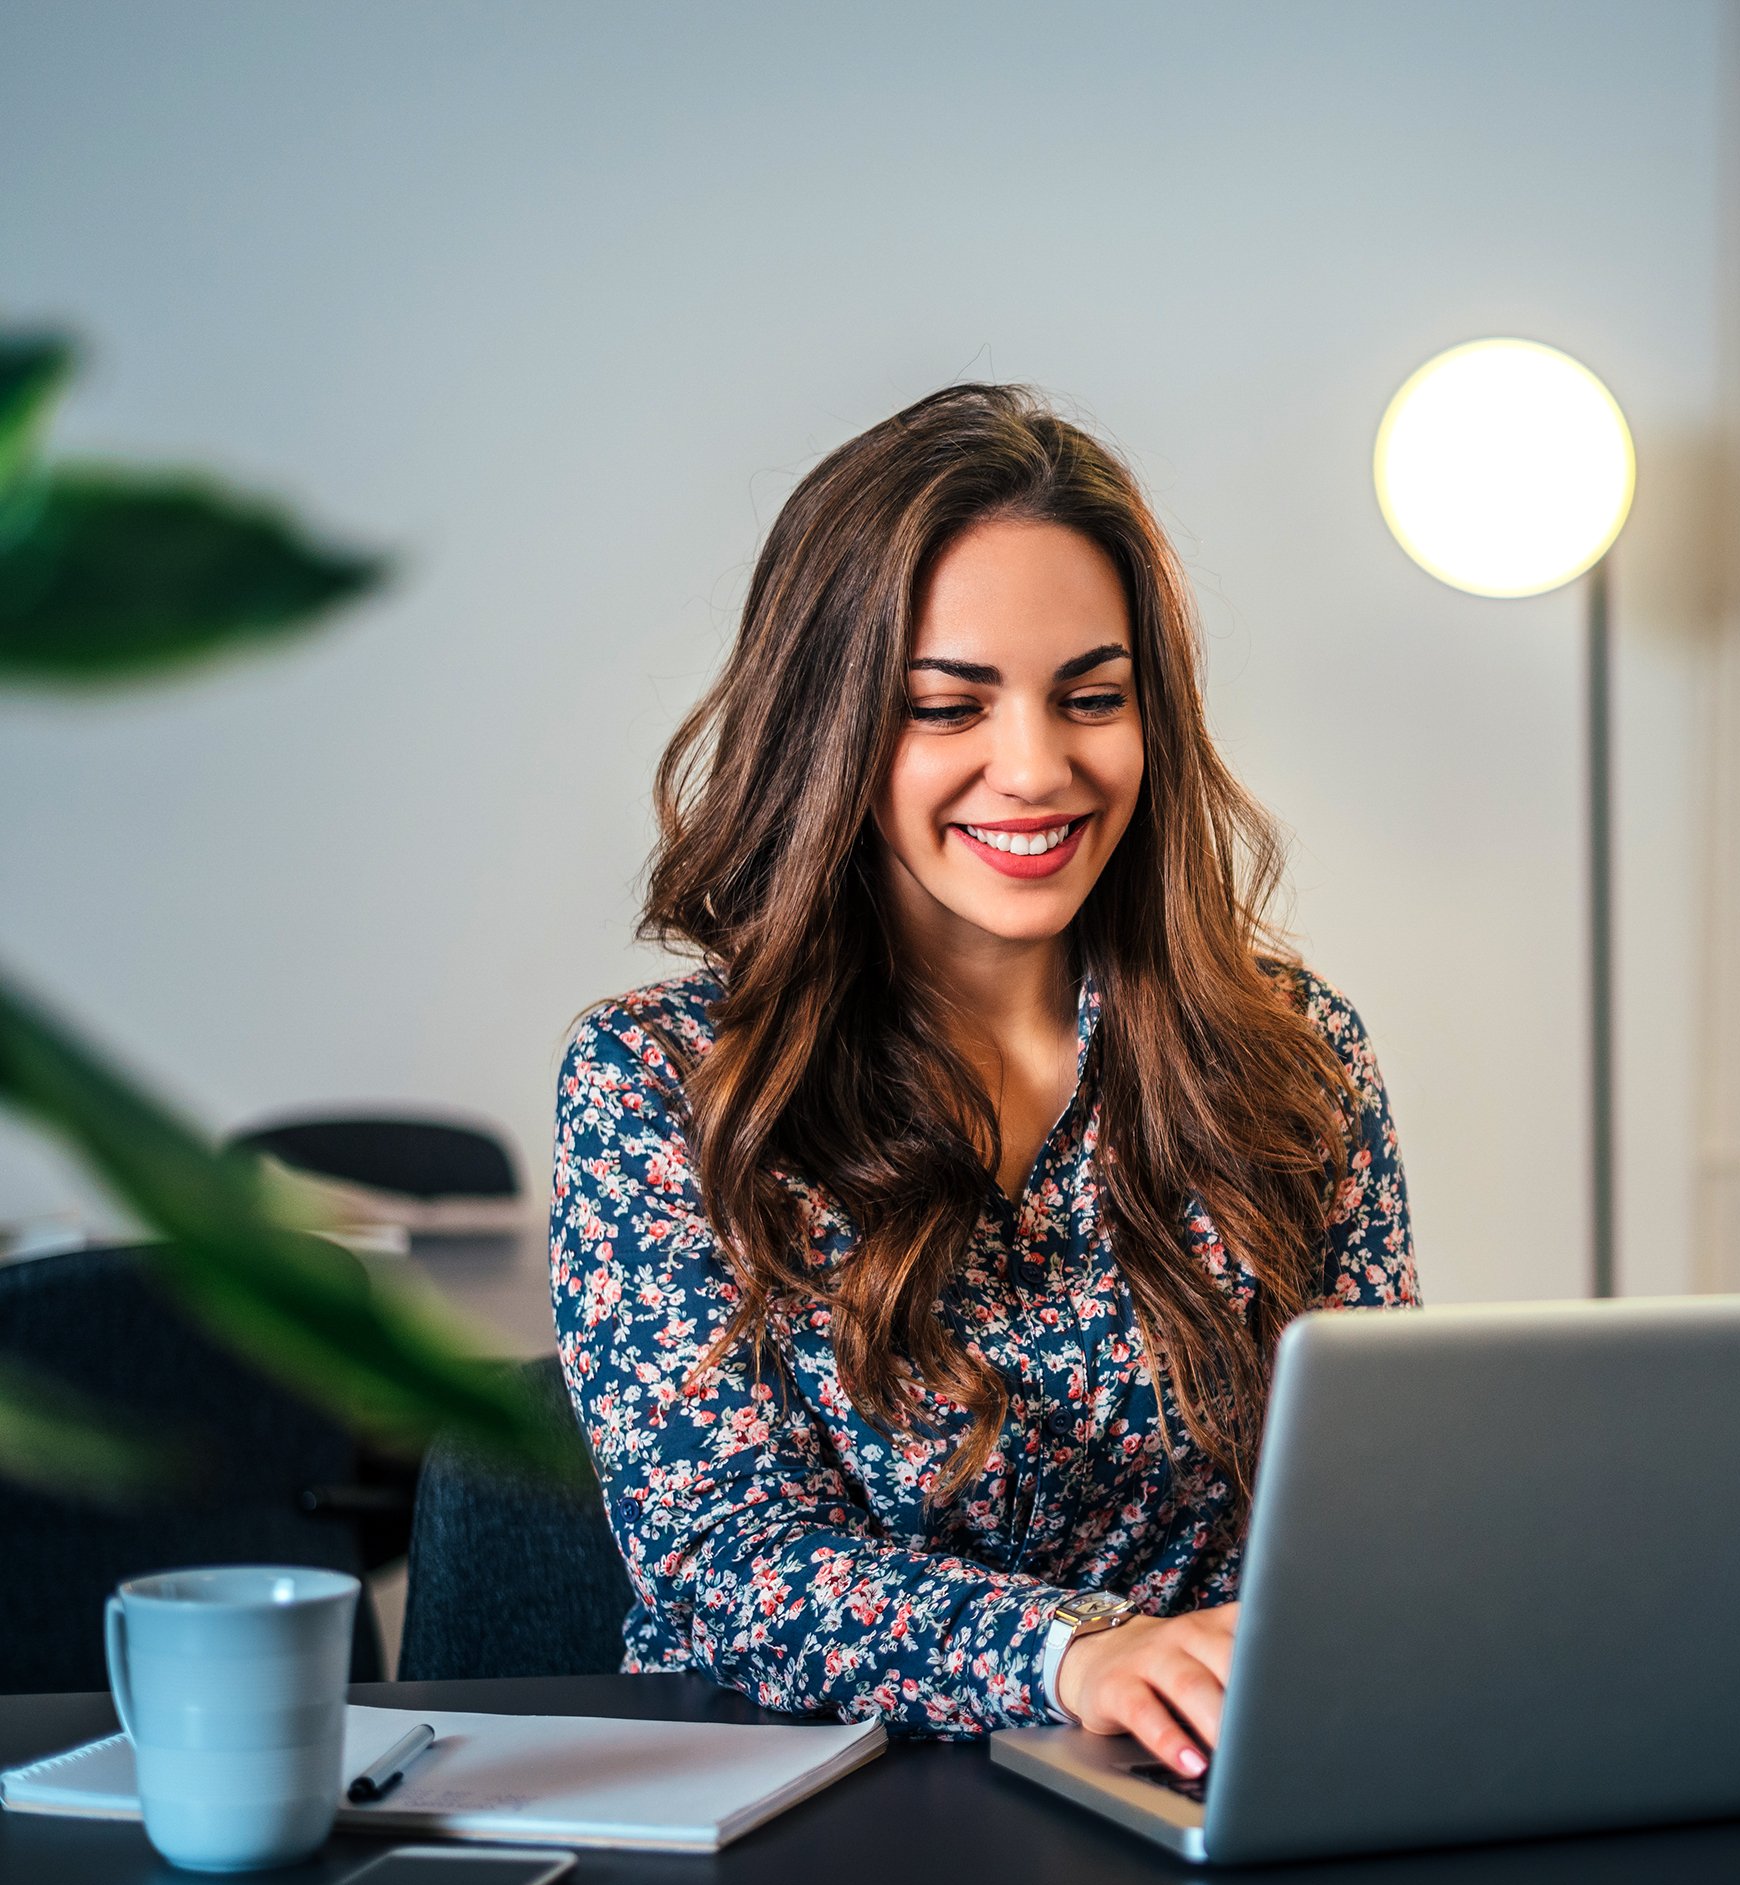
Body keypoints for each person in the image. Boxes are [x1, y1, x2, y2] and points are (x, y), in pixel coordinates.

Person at [548, 386, 1418, 1779]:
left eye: (1093, 698)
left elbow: (1375, 1501)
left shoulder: (1296, 1054)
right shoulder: (664, 1079)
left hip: (1204, 1797)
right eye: (948, 708)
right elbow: (723, 1565)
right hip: (808, 1829)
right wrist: (1075, 1652)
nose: (1037, 769)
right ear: (828, 731)